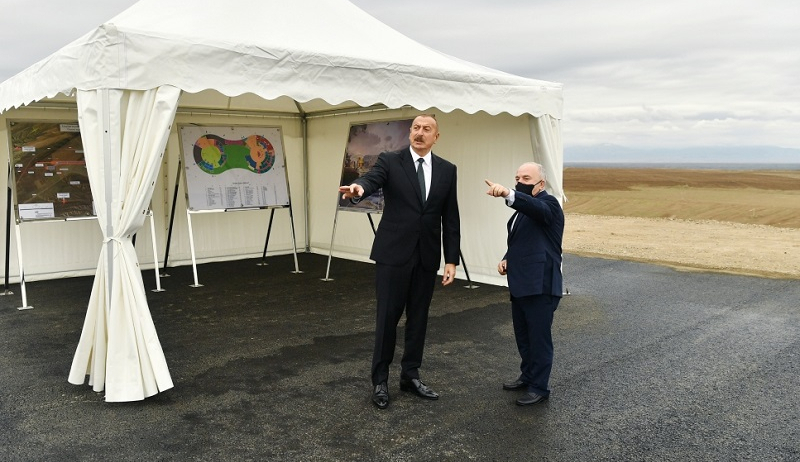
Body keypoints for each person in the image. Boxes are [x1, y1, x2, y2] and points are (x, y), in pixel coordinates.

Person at [339, 114, 461, 410]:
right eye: (416, 128)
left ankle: (410, 376)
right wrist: (359, 188)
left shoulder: (447, 170)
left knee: (418, 319)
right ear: (409, 133)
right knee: (387, 320)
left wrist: (451, 259)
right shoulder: (390, 161)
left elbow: (450, 216)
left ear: (436, 137)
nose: (420, 133)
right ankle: (380, 381)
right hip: (393, 255)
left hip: (426, 257)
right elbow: (371, 179)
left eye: (426, 129)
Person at [485, 162, 564, 406]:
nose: (520, 182)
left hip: (541, 285)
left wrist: (508, 193)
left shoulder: (549, 204)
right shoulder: (523, 210)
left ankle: (539, 387)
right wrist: (507, 258)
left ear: (541, 184)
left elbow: (536, 209)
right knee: (524, 336)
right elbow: (524, 241)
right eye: (517, 178)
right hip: (522, 284)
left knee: (539, 339)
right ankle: (528, 376)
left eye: (526, 178)